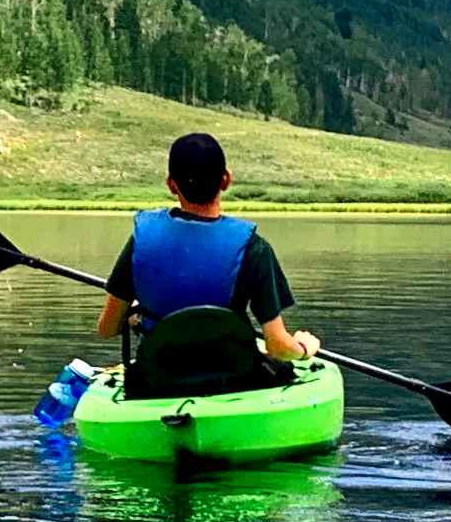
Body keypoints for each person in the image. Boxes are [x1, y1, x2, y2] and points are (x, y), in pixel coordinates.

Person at [98, 131, 323, 364]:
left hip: (155, 378)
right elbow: (278, 346)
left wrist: (136, 314)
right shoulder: (254, 249)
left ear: (171, 185)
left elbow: (107, 328)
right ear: (225, 180)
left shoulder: (142, 239)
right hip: (230, 377)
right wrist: (303, 347)